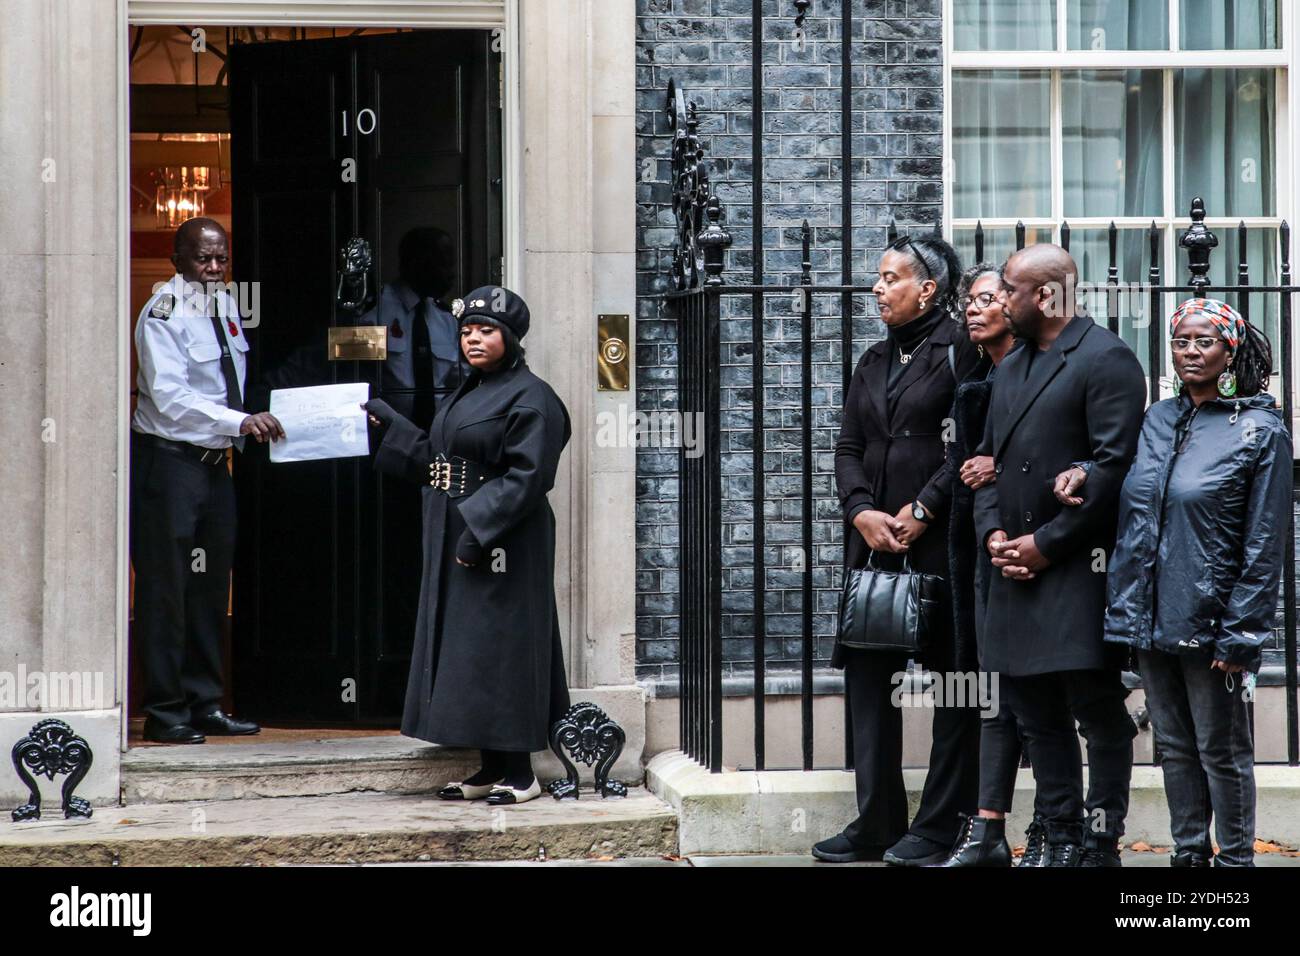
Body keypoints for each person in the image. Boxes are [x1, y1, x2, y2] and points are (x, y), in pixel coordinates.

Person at [1091, 298, 1290, 867]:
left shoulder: (1260, 430)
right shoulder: (1158, 419)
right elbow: (1134, 509)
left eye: (1205, 341)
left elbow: (1265, 543)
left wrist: (1243, 632)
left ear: (1230, 349)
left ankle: (1234, 862)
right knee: (1173, 747)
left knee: (1221, 749)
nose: (1191, 351)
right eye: (1182, 341)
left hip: (1213, 622)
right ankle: (1187, 855)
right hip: (1152, 614)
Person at [972, 244, 1147, 866]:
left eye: (1011, 290)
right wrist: (993, 536)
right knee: (1034, 714)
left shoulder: (1106, 359)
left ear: (1046, 295)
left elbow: (1115, 469)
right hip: (1011, 569)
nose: (999, 298)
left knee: (1097, 713)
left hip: (1077, 571)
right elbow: (988, 466)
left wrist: (1045, 546)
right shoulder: (1010, 365)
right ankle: (1061, 838)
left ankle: (1100, 844)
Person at [362, 286, 571, 805]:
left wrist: (480, 533)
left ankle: (521, 774)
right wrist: (394, 427)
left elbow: (528, 477)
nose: (474, 339)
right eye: (467, 331)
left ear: (511, 338)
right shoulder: (469, 390)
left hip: (504, 543)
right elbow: (444, 461)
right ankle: (489, 768)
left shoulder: (532, 396)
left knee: (504, 648)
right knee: (471, 650)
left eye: (487, 331)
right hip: (457, 534)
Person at [813, 234, 984, 865]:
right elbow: (848, 445)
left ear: (929, 289)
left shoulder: (963, 349)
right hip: (876, 543)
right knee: (867, 678)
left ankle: (940, 826)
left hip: (942, 542)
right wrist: (860, 511)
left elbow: (972, 441)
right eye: (878, 279)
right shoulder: (873, 358)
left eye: (891, 278)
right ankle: (877, 821)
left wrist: (924, 507)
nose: (877, 289)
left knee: (954, 682)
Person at [131, 217, 283, 744]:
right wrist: (239, 422)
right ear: (177, 260)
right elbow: (171, 399)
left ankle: (205, 703)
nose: (214, 269)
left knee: (210, 588)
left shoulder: (222, 305)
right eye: (203, 259)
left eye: (221, 259)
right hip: (170, 465)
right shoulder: (163, 313)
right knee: (165, 589)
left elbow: (231, 383)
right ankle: (164, 711)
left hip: (216, 468)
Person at [936, 263, 1049, 866]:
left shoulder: (1043, 374)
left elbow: (1061, 457)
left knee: (1043, 699)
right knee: (992, 692)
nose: (973, 311)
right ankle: (987, 830)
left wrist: (998, 471)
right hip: (983, 552)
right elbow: (965, 470)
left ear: (1014, 304)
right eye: (968, 303)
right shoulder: (974, 383)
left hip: (1047, 554)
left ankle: (1058, 829)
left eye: (986, 300)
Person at [358, 227, 463, 427]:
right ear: (417, 263)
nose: (451, 274)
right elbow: (354, 377)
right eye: (444, 263)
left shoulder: (447, 319)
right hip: (384, 435)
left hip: (435, 435)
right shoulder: (374, 315)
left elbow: (459, 381)